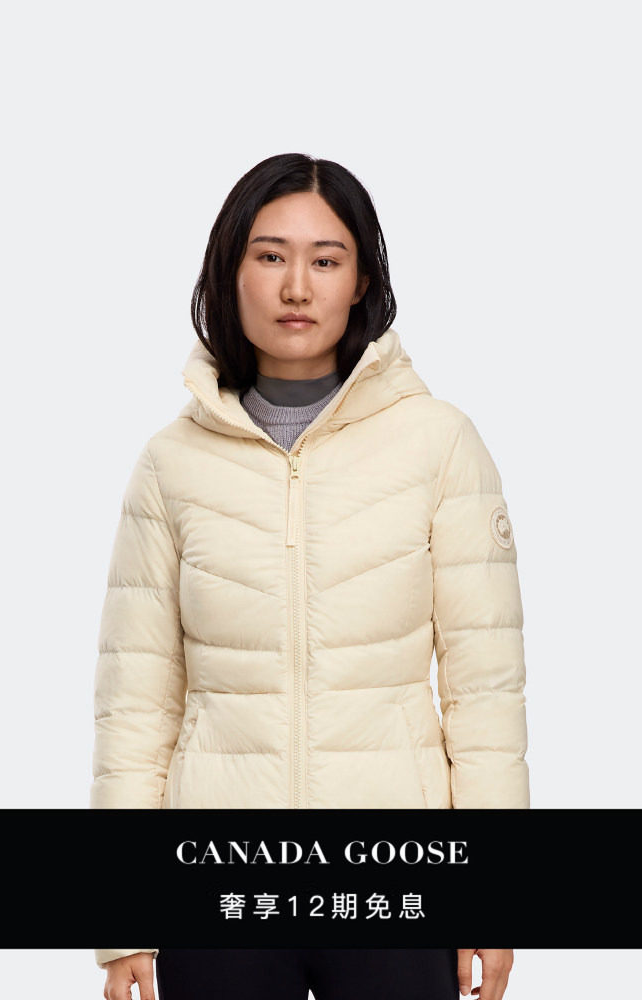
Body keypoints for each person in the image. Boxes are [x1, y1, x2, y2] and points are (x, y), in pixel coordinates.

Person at [91, 153, 529, 1000]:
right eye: (270, 256)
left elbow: (486, 696)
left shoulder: (438, 444)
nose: (297, 286)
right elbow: (135, 706)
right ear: (231, 271)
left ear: (361, 281)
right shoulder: (171, 464)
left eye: (326, 260)